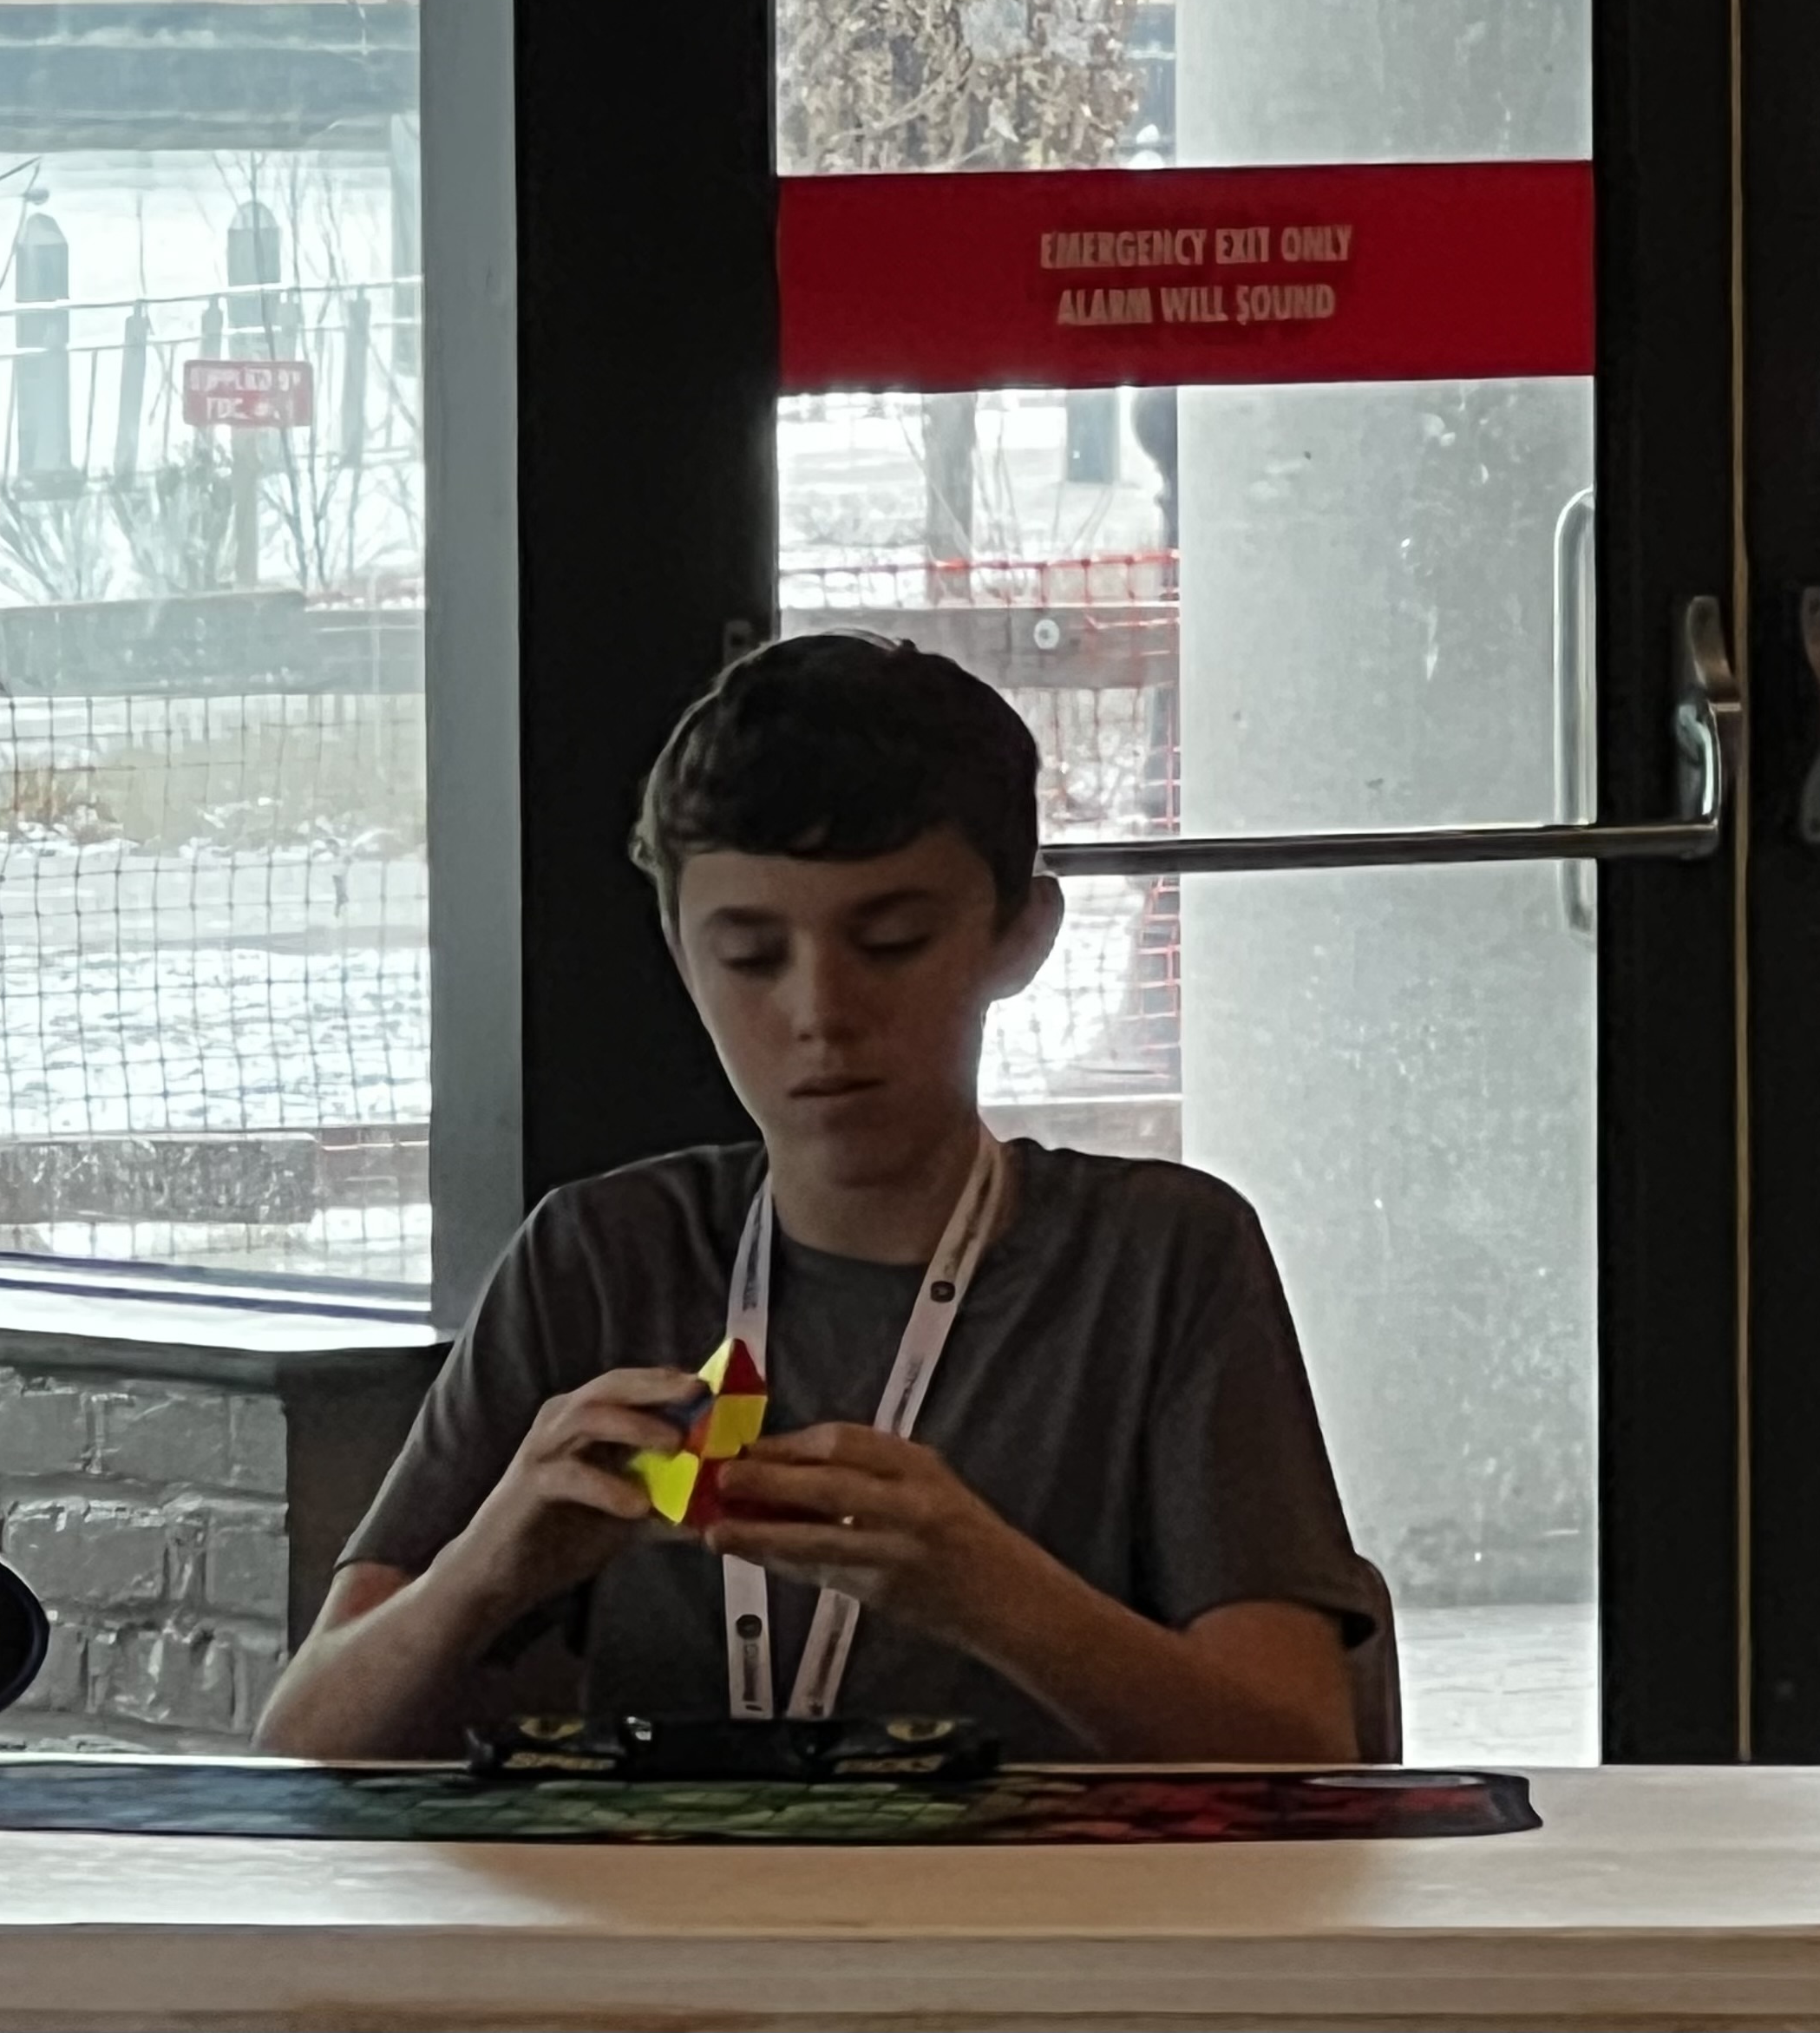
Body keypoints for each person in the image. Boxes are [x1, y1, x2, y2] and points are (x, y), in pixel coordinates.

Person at [255, 633, 1377, 1761]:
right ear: (680, 953)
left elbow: (1303, 1756)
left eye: (892, 943)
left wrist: (988, 1590)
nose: (821, 1012)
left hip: (1034, 1886)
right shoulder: (599, 1255)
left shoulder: (1159, 1257)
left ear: (1021, 935)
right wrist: (489, 1564)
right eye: (750, 957)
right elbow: (302, 1745)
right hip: (669, 1880)